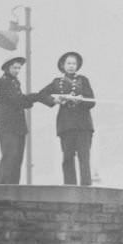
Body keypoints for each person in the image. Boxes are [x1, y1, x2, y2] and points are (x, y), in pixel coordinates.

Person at [36, 51, 96, 186]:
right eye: (68, 63)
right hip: (66, 125)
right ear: (63, 65)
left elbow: (92, 102)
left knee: (84, 157)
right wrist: (55, 100)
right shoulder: (57, 82)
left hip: (83, 125)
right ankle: (70, 187)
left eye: (74, 63)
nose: (71, 66)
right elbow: (41, 95)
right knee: (67, 157)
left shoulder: (83, 80)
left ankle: (86, 187)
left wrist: (81, 100)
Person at [0, 57, 36, 184]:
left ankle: (13, 186)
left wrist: (29, 100)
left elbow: (20, 100)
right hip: (8, 126)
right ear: (8, 68)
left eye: (19, 68)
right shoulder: (3, 82)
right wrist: (35, 98)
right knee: (9, 156)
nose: (17, 70)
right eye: (14, 68)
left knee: (17, 158)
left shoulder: (14, 82)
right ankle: (2, 187)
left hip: (18, 127)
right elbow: (17, 100)